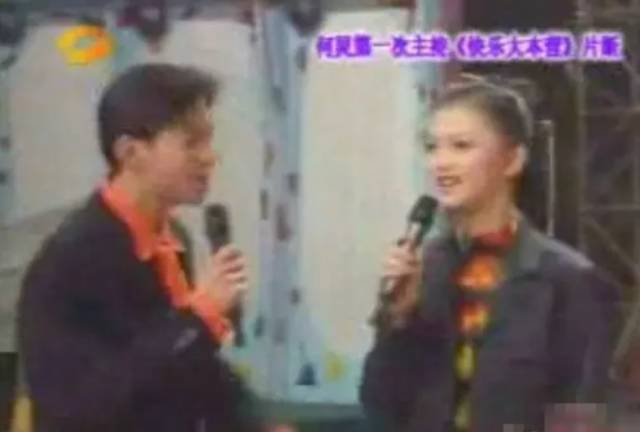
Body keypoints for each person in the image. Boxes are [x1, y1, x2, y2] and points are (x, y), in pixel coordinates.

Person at [18, 63, 292, 432]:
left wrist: (256, 423)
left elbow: (192, 368)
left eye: (208, 141)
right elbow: (89, 403)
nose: (209, 157)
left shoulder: (171, 239)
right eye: (191, 143)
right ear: (130, 153)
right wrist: (198, 319)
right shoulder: (70, 262)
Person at [359, 76, 620, 432]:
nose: (440, 162)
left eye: (461, 146)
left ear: (512, 160)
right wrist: (400, 320)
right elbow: (380, 407)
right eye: (432, 147)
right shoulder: (422, 270)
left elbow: (579, 418)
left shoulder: (569, 280)